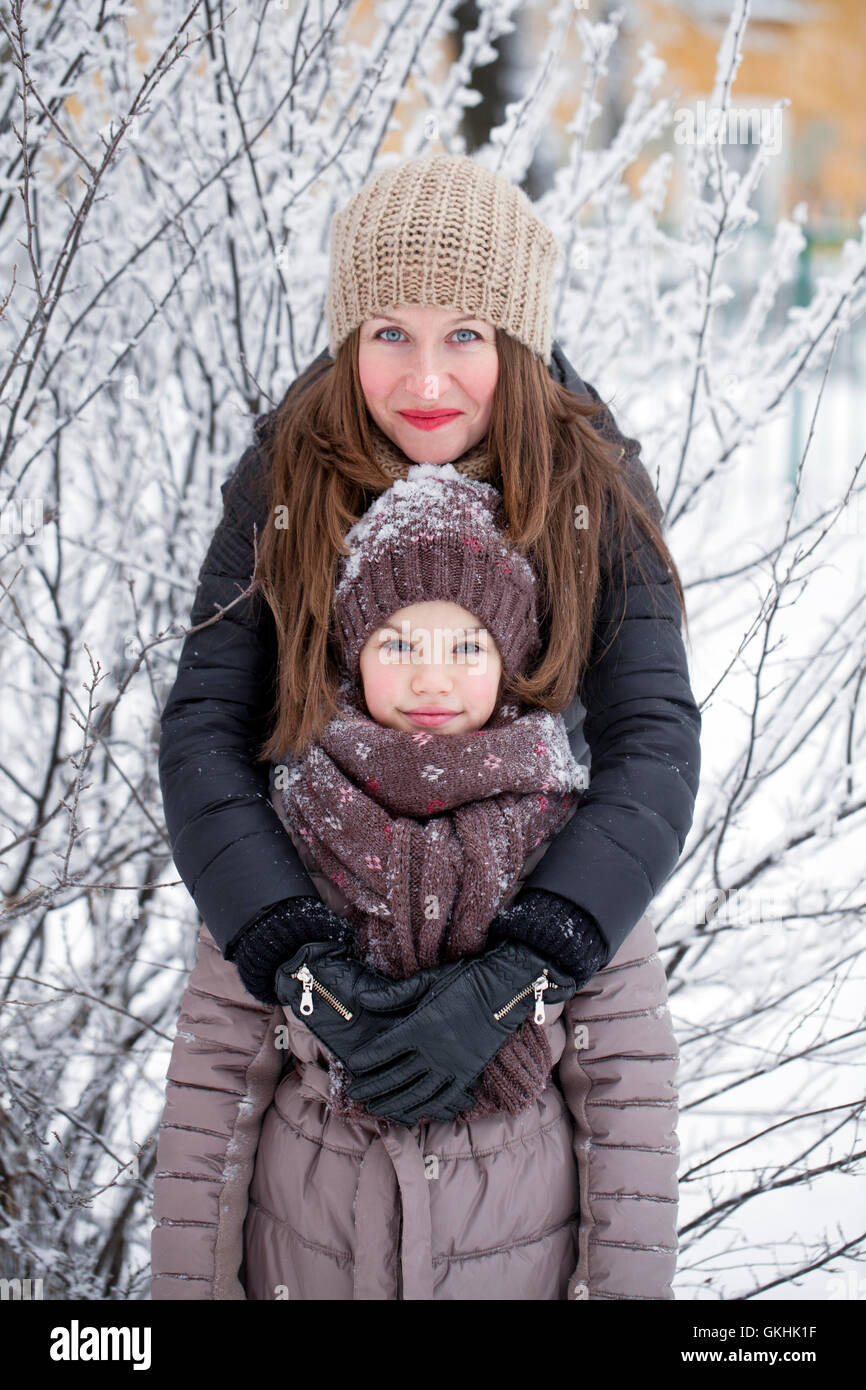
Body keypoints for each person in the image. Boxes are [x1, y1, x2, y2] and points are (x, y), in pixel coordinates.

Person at [152, 151, 700, 1299]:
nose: (424, 378)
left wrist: (526, 969)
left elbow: (651, 741)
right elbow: (206, 723)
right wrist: (290, 952)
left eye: (464, 335)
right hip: (324, 904)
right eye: (388, 333)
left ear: (518, 340)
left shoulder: (590, 477)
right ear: (349, 336)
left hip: (528, 919)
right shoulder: (288, 469)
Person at [267, 460, 594, 1131]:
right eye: (400, 646)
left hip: (520, 1216)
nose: (431, 681)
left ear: (511, 661)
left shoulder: (565, 822)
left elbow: (628, 1076)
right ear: (353, 654)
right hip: (313, 1214)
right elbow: (218, 1062)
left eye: (468, 648)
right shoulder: (293, 812)